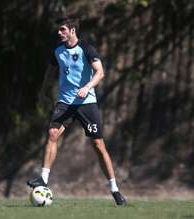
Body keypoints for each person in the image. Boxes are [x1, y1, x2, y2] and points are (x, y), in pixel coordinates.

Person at [26, 17, 127, 205]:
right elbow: (50, 71)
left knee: (98, 146)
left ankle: (115, 189)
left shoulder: (87, 49)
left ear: (72, 31)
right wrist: (43, 91)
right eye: (59, 30)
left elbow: (100, 72)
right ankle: (44, 179)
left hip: (86, 103)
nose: (59, 32)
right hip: (65, 102)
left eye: (63, 29)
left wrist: (87, 87)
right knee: (52, 134)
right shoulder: (58, 51)